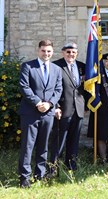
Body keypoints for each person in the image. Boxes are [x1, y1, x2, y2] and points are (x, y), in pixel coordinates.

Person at [18, 39, 62, 188]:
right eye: (43, 50)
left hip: (47, 113)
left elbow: (58, 90)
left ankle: (40, 175)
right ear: (38, 50)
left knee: (43, 146)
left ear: (52, 52)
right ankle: (24, 178)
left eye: (49, 51)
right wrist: (38, 103)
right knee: (27, 146)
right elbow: (24, 87)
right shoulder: (28, 66)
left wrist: (49, 104)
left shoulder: (56, 69)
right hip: (30, 112)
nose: (46, 53)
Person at [49, 42, 86, 176]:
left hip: (78, 109)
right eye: (68, 52)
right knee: (59, 141)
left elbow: (85, 87)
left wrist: (85, 105)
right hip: (63, 109)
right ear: (63, 52)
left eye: (73, 52)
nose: (71, 54)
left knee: (74, 140)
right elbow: (52, 89)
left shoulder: (82, 66)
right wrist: (56, 107)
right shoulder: (56, 66)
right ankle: (53, 169)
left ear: (77, 53)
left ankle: (71, 166)